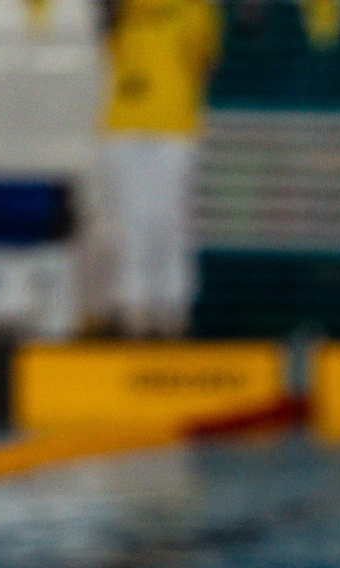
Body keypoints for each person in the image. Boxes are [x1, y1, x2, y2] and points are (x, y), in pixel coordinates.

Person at [98, 0, 221, 338]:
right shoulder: (121, 6)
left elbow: (206, 62)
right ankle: (133, 305)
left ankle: (173, 306)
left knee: (173, 218)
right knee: (132, 217)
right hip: (124, 122)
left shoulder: (196, 8)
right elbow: (107, 51)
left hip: (174, 126)